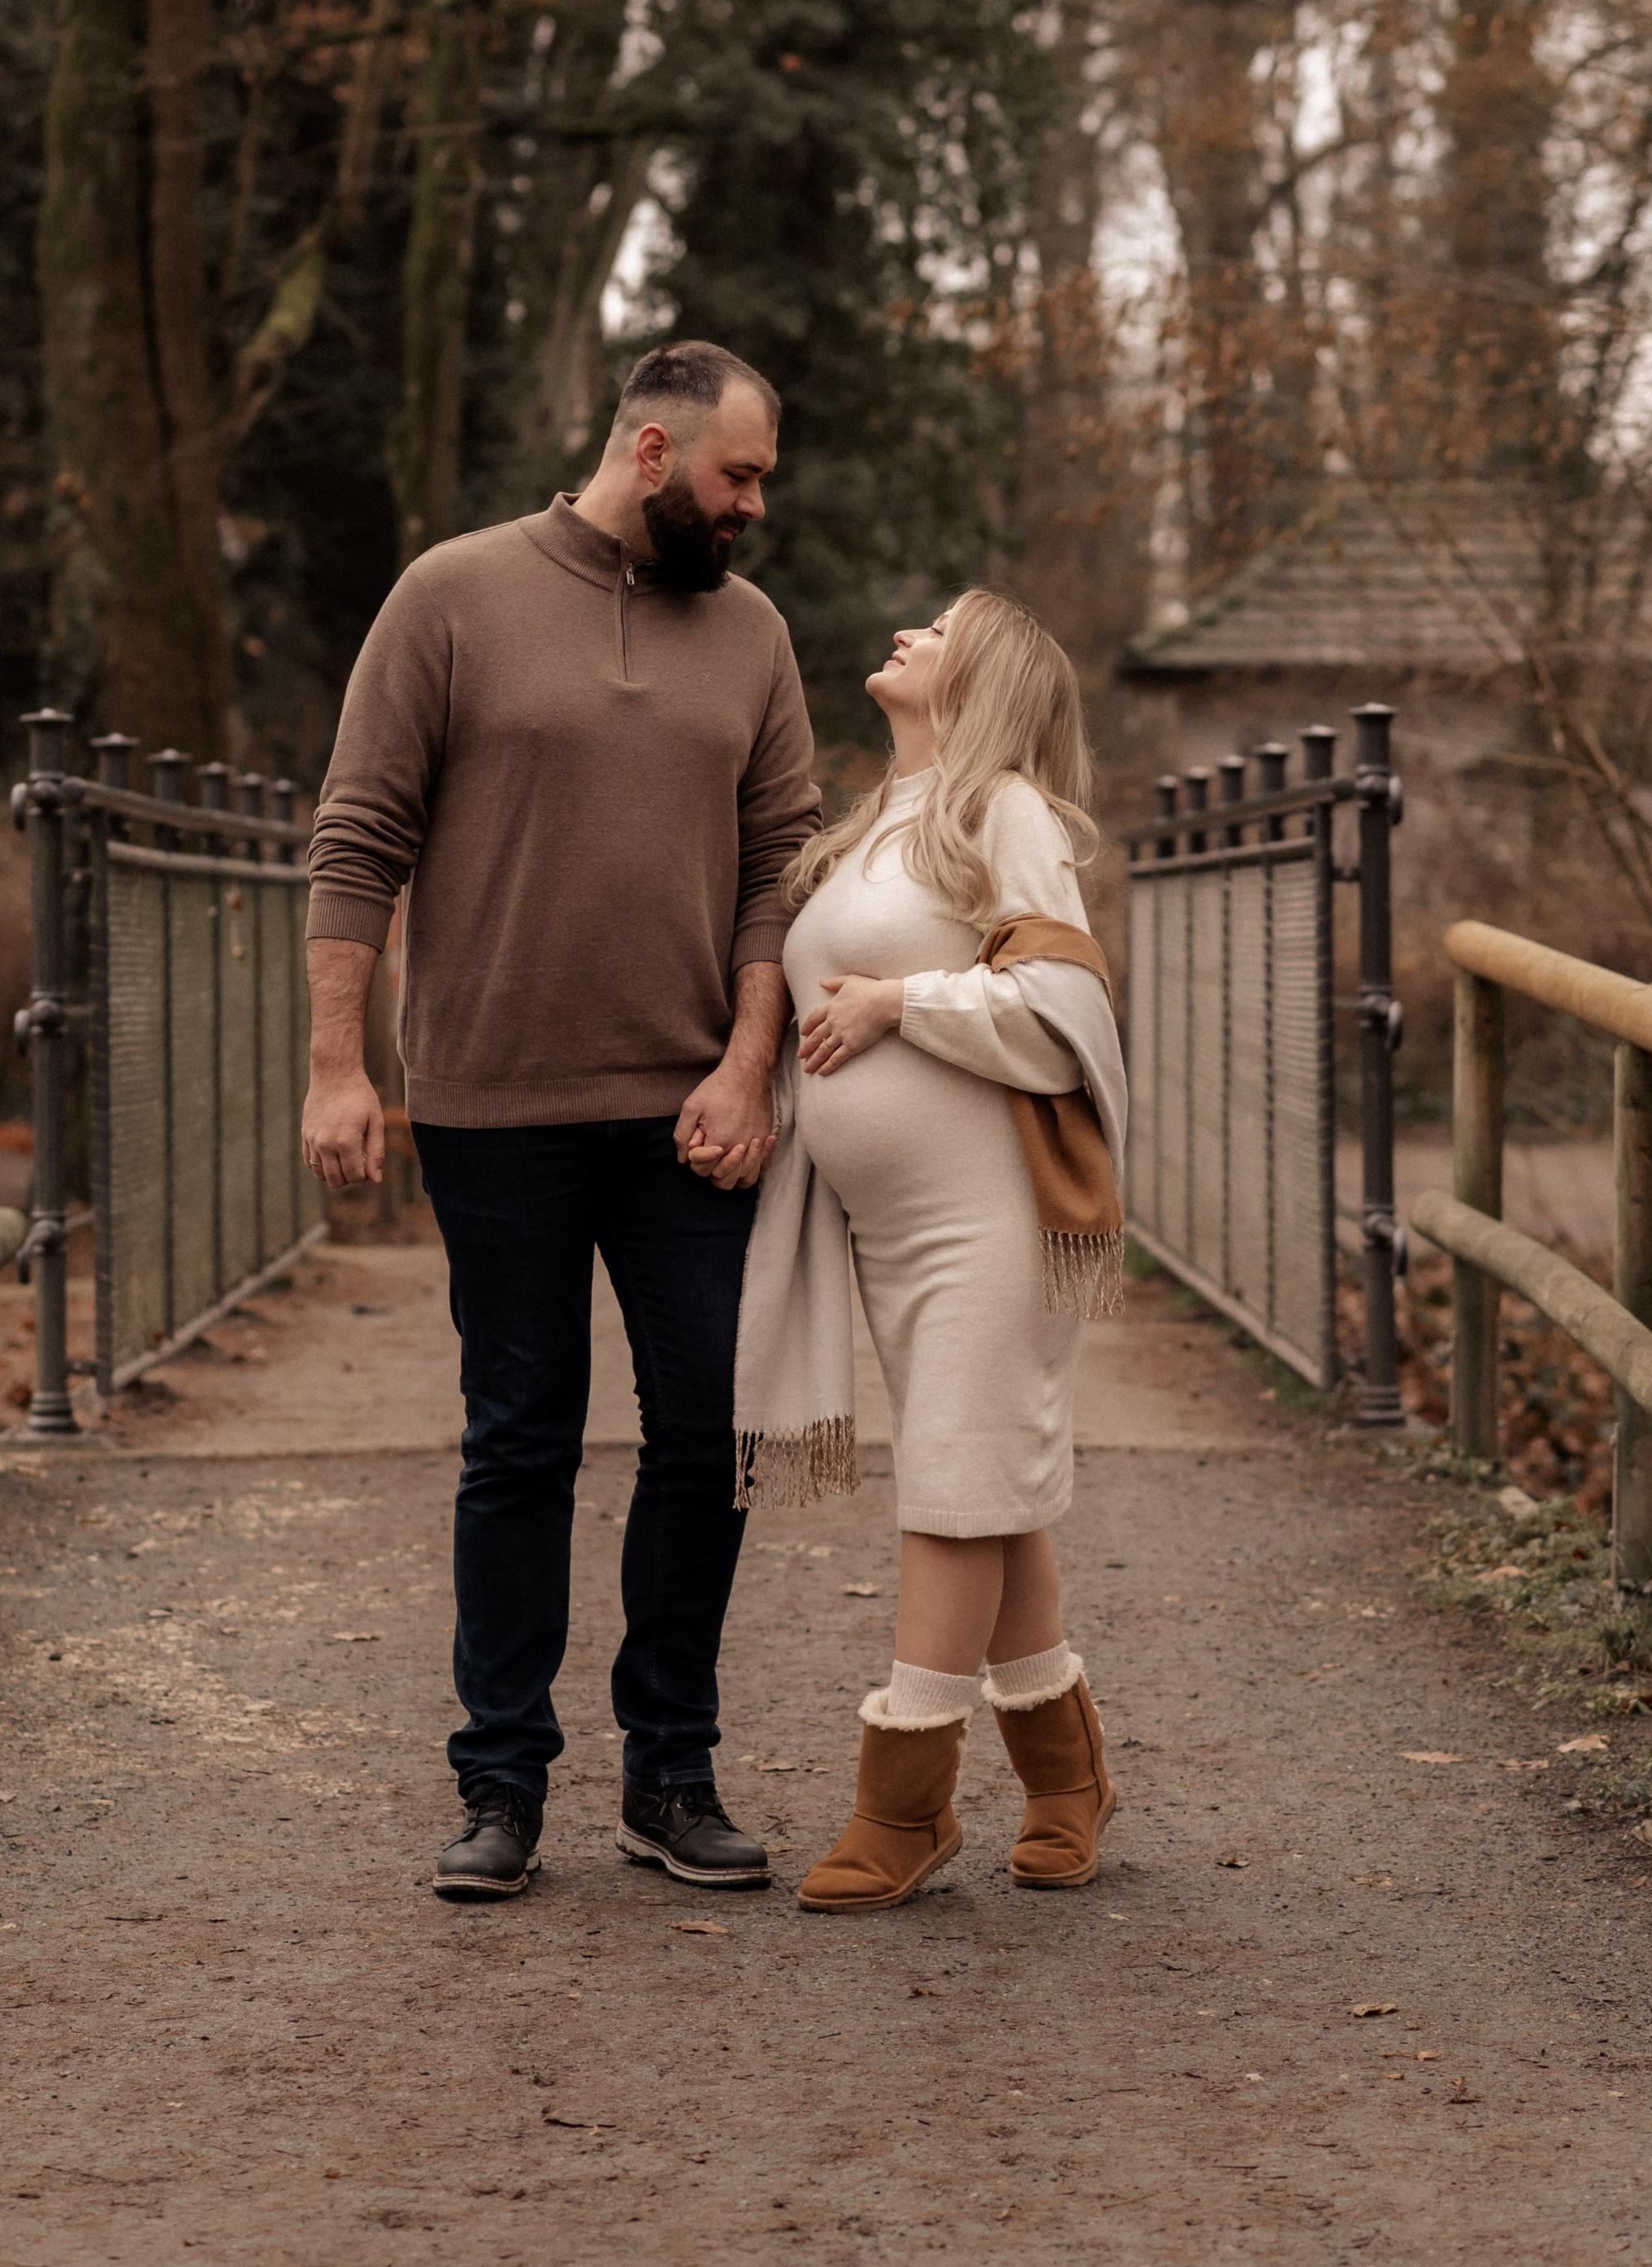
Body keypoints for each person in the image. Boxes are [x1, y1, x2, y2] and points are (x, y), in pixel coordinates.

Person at [301, 341, 821, 1900]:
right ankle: (501, 1783)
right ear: (652, 452)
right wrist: (341, 1065)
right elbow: (357, 834)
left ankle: (670, 1772)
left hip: (690, 1113)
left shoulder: (756, 636)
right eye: (737, 478)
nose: (751, 511)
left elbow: (781, 864)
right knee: (517, 1438)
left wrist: (749, 1061)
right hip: (494, 1105)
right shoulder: (450, 595)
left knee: (706, 1431)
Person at [732, 589, 1128, 1913]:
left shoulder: (1003, 810)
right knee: (984, 1484)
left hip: (994, 1219)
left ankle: (902, 1810)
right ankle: (1071, 1782)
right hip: (889, 1229)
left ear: (989, 679)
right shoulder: (870, 830)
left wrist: (906, 999)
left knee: (953, 1486)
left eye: (941, 628)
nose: (906, 630)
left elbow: (1063, 1004)